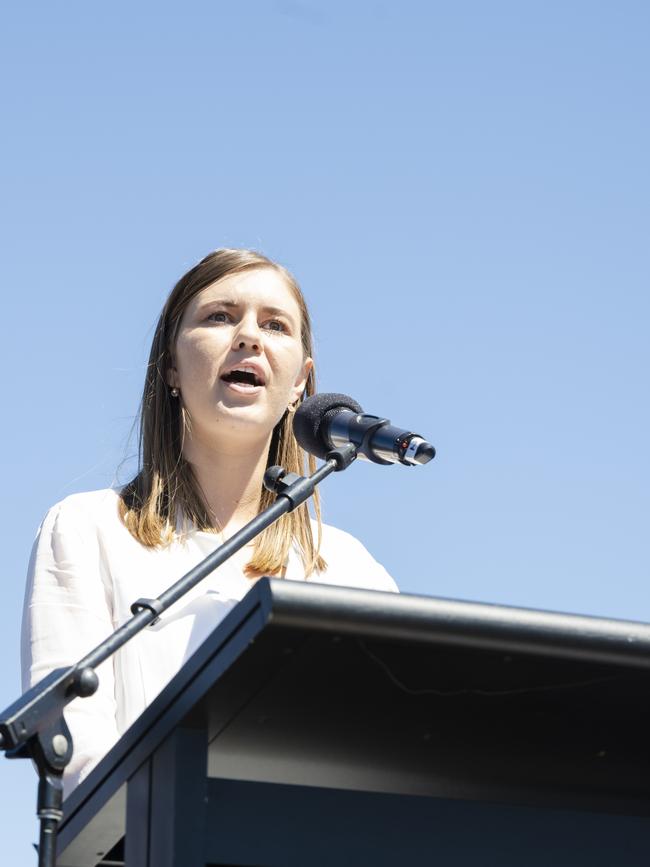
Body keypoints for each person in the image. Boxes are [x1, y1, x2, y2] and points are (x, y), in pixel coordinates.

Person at [21, 248, 398, 796]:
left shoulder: (348, 567)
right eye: (220, 317)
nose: (250, 337)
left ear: (301, 381)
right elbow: (77, 746)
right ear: (171, 364)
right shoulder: (88, 528)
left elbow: (382, 746)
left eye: (276, 325)